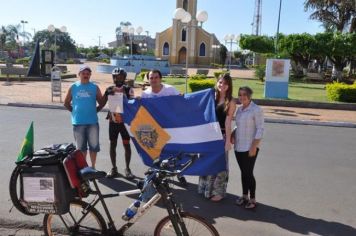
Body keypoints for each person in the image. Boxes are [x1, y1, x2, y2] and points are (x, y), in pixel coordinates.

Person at [141, 69, 188, 186]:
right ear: (148, 80)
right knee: (159, 152)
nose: (154, 80)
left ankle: (180, 174)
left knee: (175, 151)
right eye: (151, 78)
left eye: (156, 77)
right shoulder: (145, 94)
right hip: (155, 128)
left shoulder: (170, 89)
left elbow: (180, 100)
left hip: (171, 126)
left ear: (160, 78)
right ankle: (161, 175)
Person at [198, 74, 236, 202]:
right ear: (217, 83)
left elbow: (228, 122)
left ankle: (218, 192)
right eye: (220, 82)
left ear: (229, 86)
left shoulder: (231, 101)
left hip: (221, 136)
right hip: (208, 136)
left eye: (225, 84)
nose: (222, 85)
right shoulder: (210, 97)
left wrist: (228, 141)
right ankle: (206, 189)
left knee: (220, 165)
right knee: (207, 162)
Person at [64, 65, 105, 168]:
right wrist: (74, 112)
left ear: (90, 75)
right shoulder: (73, 87)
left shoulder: (95, 87)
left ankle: (93, 167)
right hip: (78, 123)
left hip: (92, 122)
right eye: (83, 73)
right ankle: (84, 167)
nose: (85, 75)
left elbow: (101, 103)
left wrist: (95, 111)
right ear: (79, 75)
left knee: (94, 147)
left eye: (88, 74)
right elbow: (66, 102)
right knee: (81, 148)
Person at [232, 86, 264, 209]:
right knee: (243, 172)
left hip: (250, 147)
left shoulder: (256, 109)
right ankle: (244, 196)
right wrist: (233, 134)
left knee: (248, 173)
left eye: (244, 94)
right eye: (240, 94)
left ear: (249, 96)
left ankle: (253, 199)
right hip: (238, 146)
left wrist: (253, 147)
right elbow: (238, 126)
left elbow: (260, 129)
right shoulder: (239, 110)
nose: (242, 97)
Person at [103, 68, 135, 179]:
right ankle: (113, 168)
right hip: (113, 122)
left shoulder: (128, 89)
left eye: (121, 77)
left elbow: (133, 105)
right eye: (116, 77)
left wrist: (127, 97)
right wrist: (107, 93)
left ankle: (127, 168)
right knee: (112, 145)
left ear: (124, 77)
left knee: (127, 145)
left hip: (125, 123)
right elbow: (102, 103)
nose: (118, 79)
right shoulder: (109, 89)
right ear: (113, 78)